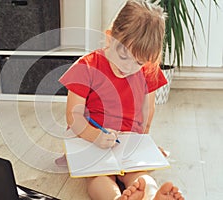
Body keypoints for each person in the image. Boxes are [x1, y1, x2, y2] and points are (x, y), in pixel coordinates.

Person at [58, 0, 184, 199]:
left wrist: (144, 143)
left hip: (127, 142)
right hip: (91, 139)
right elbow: (73, 116)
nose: (129, 67)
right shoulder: (87, 66)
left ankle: (151, 196)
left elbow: (147, 113)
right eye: (124, 56)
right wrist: (95, 136)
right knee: (99, 175)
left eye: (139, 62)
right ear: (110, 39)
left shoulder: (148, 70)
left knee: (140, 175)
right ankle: (116, 198)